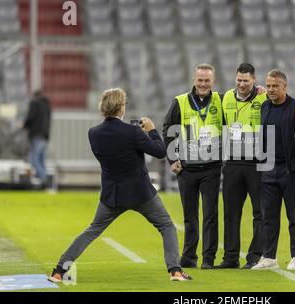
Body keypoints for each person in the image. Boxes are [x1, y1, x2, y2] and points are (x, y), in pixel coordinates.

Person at [48, 88, 192, 282]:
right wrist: (152, 131)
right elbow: (159, 151)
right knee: (167, 226)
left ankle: (59, 270)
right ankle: (174, 270)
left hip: (112, 195)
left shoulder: (94, 133)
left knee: (91, 231)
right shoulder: (132, 132)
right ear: (120, 107)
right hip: (141, 193)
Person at [163, 64, 222, 270]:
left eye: (207, 80)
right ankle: (189, 257)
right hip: (186, 169)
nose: (203, 84)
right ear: (194, 80)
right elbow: (168, 130)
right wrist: (172, 160)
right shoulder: (179, 102)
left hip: (211, 168)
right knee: (190, 216)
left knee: (210, 215)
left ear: (213, 81)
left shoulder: (222, 100)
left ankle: (208, 259)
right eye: (200, 80)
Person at [215, 63, 268, 269]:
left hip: (257, 162)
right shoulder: (226, 97)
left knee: (260, 212)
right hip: (233, 163)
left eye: (246, 81)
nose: (242, 84)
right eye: (239, 80)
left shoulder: (263, 97)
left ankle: (255, 256)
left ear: (254, 80)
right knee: (230, 212)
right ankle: (230, 258)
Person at [252, 69, 295, 270]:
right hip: (268, 169)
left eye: (275, 86)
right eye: (269, 85)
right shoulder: (264, 106)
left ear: (285, 86)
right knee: (269, 217)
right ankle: (269, 257)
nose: (271, 89)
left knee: (294, 216)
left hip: (291, 171)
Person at [23, 90, 51, 188]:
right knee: (41, 160)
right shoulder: (47, 105)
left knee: (33, 160)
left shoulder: (34, 103)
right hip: (45, 136)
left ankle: (44, 181)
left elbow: (30, 117)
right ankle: (44, 183)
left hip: (36, 135)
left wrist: (24, 125)